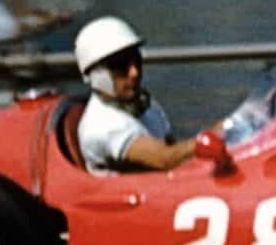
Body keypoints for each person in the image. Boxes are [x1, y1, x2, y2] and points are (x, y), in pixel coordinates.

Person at [72, 16, 192, 172]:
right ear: (95, 75)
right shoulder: (102, 126)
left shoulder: (144, 104)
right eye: (120, 65)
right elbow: (165, 159)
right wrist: (218, 134)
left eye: (136, 60)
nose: (134, 73)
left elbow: (172, 147)